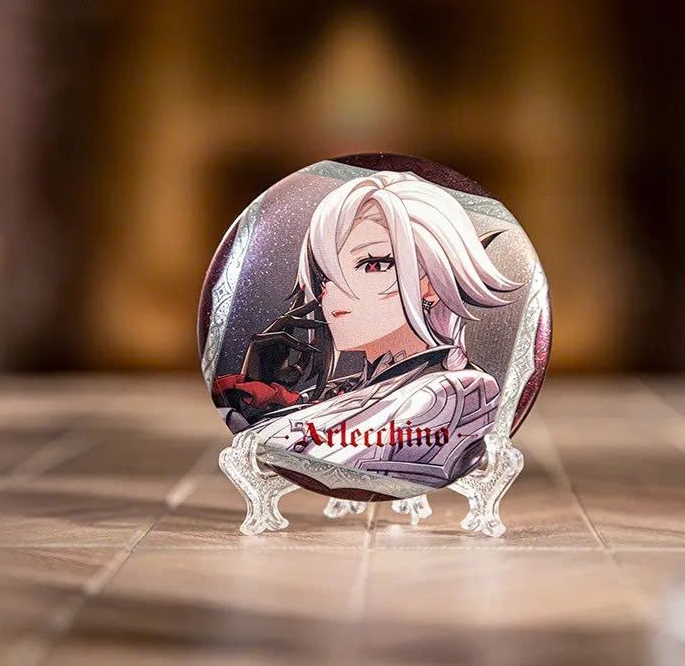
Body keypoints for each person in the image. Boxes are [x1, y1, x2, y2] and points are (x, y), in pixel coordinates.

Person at [214, 170, 520, 496]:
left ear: (432, 282)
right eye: (324, 276)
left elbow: (330, 465)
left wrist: (263, 421)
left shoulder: (454, 390)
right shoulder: (344, 390)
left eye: (373, 264)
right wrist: (260, 396)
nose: (335, 291)